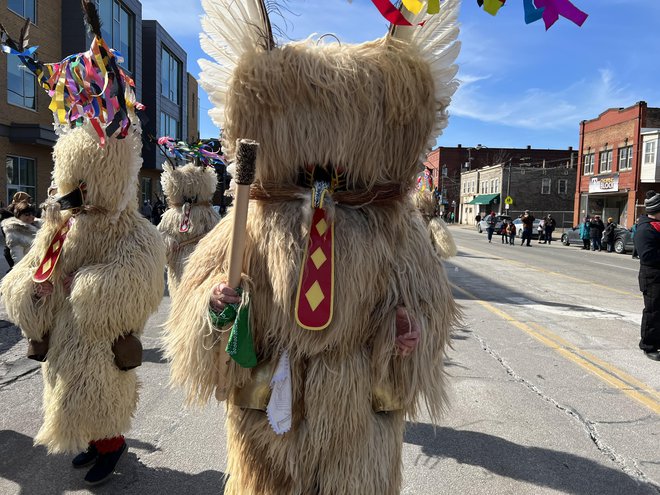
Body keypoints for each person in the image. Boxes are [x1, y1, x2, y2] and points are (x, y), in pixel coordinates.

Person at [633, 190, 660, 360]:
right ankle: (648, 345)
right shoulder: (645, 229)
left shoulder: (656, 226)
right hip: (652, 277)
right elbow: (648, 255)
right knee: (653, 311)